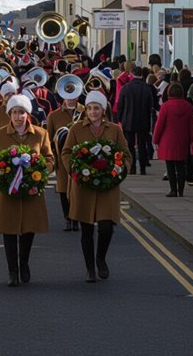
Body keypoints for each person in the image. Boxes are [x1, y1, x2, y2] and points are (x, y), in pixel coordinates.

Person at [62, 91, 132, 283]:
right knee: (86, 230)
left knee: (106, 227)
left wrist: (120, 170)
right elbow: (66, 152)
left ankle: (100, 258)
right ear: (86, 110)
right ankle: (90, 268)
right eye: (90, 108)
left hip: (107, 186)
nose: (93, 112)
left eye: (97, 108)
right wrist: (74, 170)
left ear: (103, 110)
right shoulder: (76, 129)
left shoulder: (114, 130)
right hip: (83, 186)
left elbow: (126, 154)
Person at [0, 94, 53, 287]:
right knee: (9, 230)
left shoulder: (40, 134)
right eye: (14, 112)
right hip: (7, 190)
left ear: (27, 114)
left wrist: (40, 170)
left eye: (22, 112)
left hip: (31, 189)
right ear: (10, 114)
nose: (18, 116)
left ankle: (23, 262)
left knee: (29, 228)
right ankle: (12, 270)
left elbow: (49, 158)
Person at [46, 93, 82, 230]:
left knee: (78, 189)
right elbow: (48, 138)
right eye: (67, 94)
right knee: (63, 188)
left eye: (73, 94)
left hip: (81, 158)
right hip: (61, 158)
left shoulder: (85, 112)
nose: (70, 97)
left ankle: (76, 218)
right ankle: (67, 217)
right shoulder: (53, 116)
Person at [153, 83, 193, 197]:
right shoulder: (188, 106)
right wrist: (192, 140)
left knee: (170, 166)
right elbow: (191, 126)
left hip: (168, 140)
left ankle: (173, 190)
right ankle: (181, 190)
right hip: (183, 139)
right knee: (181, 165)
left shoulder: (165, 106)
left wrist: (155, 139)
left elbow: (159, 125)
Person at [116, 67, 156, 175]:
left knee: (130, 145)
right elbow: (150, 105)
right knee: (142, 145)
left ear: (132, 74)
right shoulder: (146, 88)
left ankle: (132, 167)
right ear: (141, 75)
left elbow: (120, 105)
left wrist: (120, 118)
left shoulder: (126, 87)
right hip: (143, 120)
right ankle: (142, 168)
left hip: (128, 120)